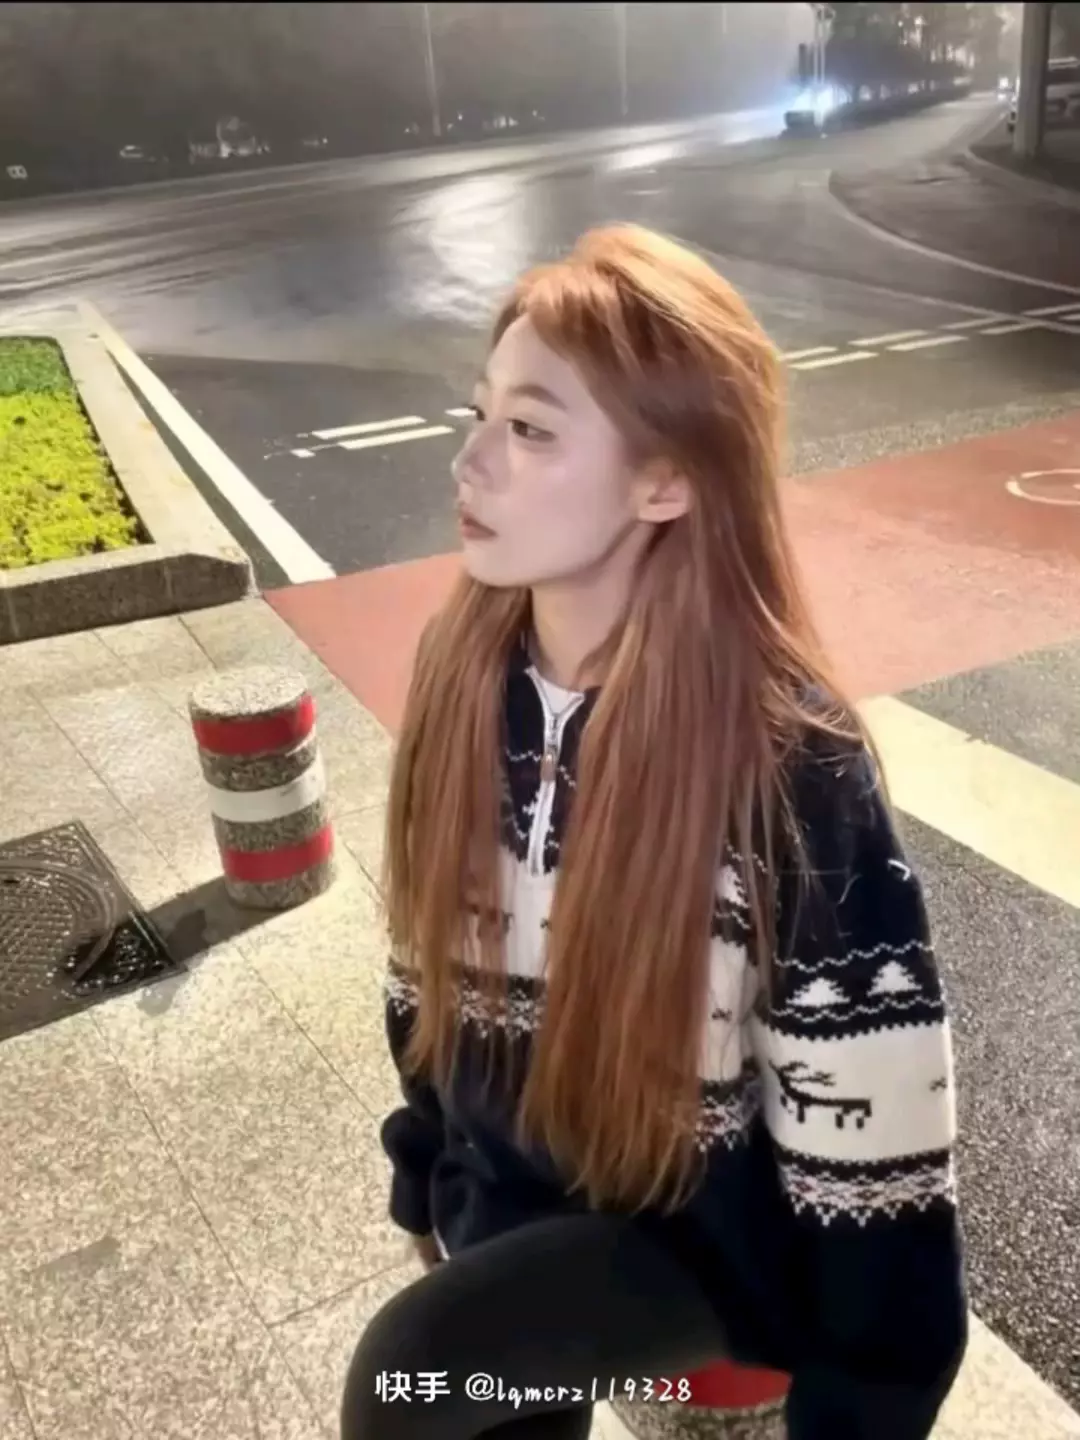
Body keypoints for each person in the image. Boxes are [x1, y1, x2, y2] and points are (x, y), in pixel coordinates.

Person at [341, 223, 967, 1440]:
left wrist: (860, 1406)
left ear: (666, 481)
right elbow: (422, 960)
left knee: (417, 1371)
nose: (469, 462)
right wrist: (426, 1162)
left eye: (531, 430)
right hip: (503, 1198)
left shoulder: (787, 758)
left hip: (697, 1236)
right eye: (478, 415)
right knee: (478, 1372)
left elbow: (878, 1123)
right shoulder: (462, 671)